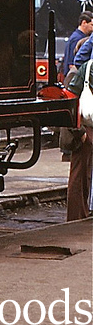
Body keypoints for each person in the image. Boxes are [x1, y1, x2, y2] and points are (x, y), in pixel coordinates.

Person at [64, 59, 93, 220]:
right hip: (85, 128)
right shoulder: (88, 69)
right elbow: (70, 100)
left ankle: (80, 215)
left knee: (83, 175)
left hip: (86, 127)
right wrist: (79, 131)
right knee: (80, 175)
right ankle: (76, 217)